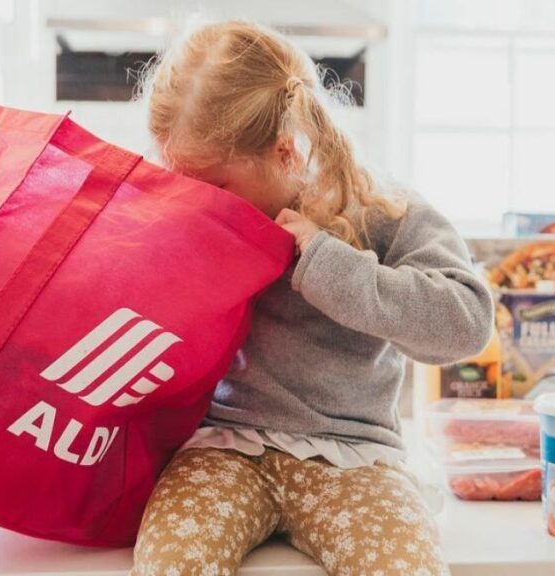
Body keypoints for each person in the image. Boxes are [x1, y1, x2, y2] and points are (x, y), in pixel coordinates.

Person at [128, 19, 493, 576]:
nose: (197, 204)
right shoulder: (194, 222)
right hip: (225, 448)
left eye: (214, 185)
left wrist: (331, 266)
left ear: (285, 153)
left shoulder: (382, 212)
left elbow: (466, 321)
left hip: (354, 456)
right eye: (180, 182)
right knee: (169, 566)